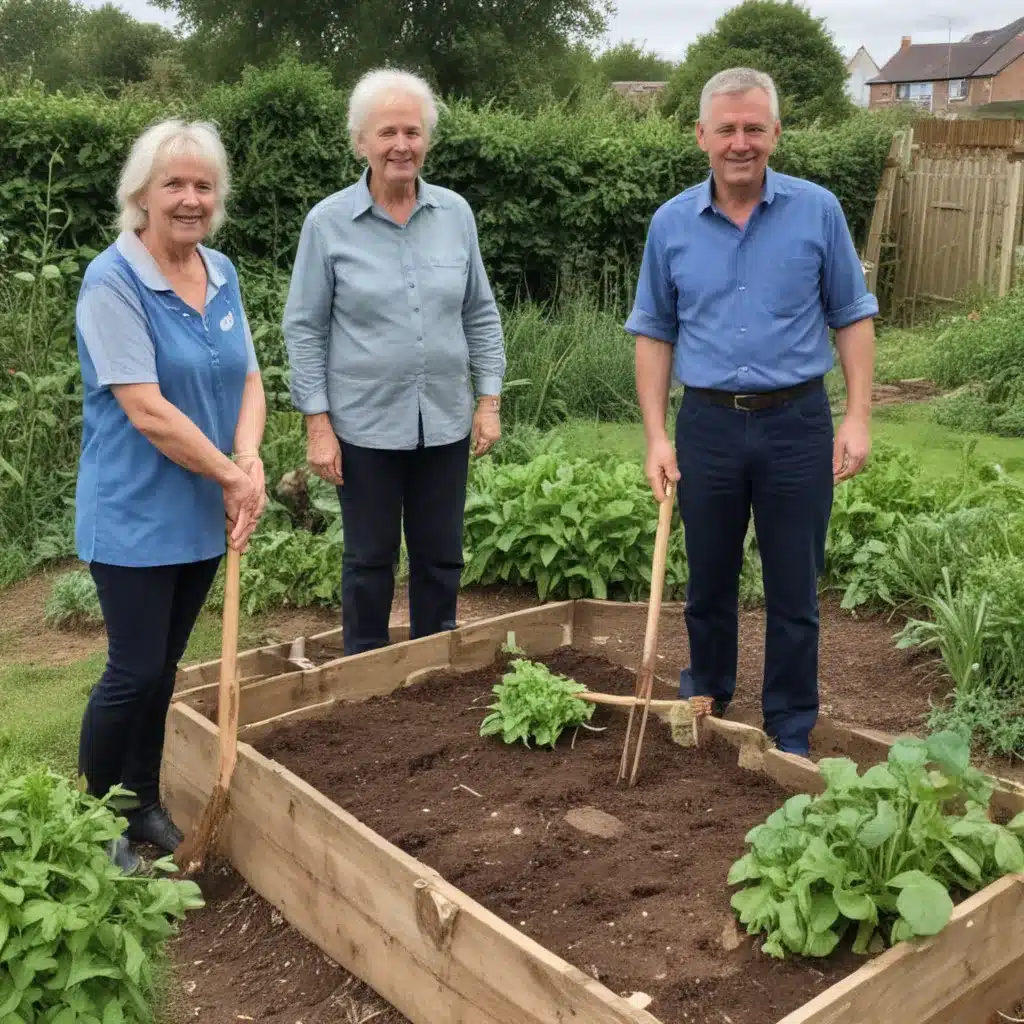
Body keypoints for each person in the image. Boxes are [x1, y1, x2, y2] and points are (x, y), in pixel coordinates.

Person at [625, 67, 877, 757]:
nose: (741, 143)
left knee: (795, 587)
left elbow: (852, 316)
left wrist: (857, 416)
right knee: (707, 579)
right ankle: (706, 696)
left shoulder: (817, 211)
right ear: (701, 135)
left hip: (796, 423)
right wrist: (655, 435)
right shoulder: (671, 224)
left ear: (775, 134)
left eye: (754, 129)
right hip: (705, 425)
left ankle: (790, 728)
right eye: (727, 129)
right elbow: (654, 333)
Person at [74, 118, 268, 874]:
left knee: (165, 669)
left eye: (202, 185)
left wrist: (245, 459)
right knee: (132, 669)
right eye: (174, 185)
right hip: (133, 508)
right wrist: (231, 476)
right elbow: (146, 408)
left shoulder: (220, 271)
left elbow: (248, 377)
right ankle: (93, 822)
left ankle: (142, 801)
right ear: (141, 195)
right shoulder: (112, 280)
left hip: (200, 508)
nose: (190, 199)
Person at [282, 68, 506, 657]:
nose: (400, 145)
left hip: (445, 420)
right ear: (361, 142)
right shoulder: (327, 224)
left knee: (441, 553)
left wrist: (488, 400)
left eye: (412, 131)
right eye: (387, 133)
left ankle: (435, 668)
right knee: (368, 558)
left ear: (426, 139)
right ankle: (364, 672)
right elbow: (304, 328)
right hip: (362, 426)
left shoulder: (455, 214)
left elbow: (479, 312)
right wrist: (317, 423)